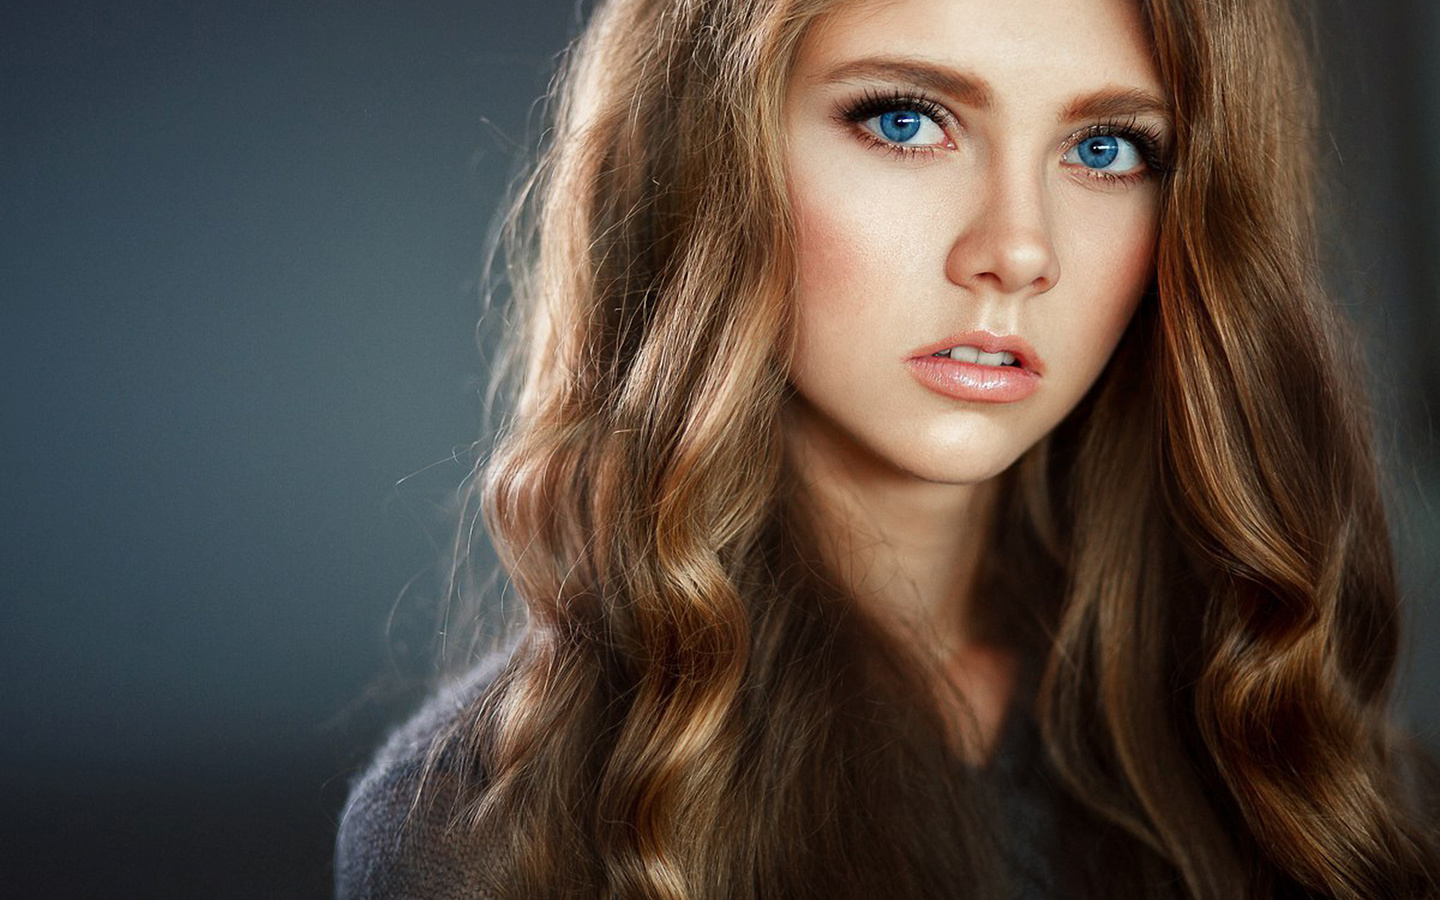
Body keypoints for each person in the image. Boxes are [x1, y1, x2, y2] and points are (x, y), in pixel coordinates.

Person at [334, 0, 1440, 896]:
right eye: (907, 121)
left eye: (1107, 148)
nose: (1016, 250)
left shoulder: (1297, 754)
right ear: (704, 154)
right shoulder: (488, 833)